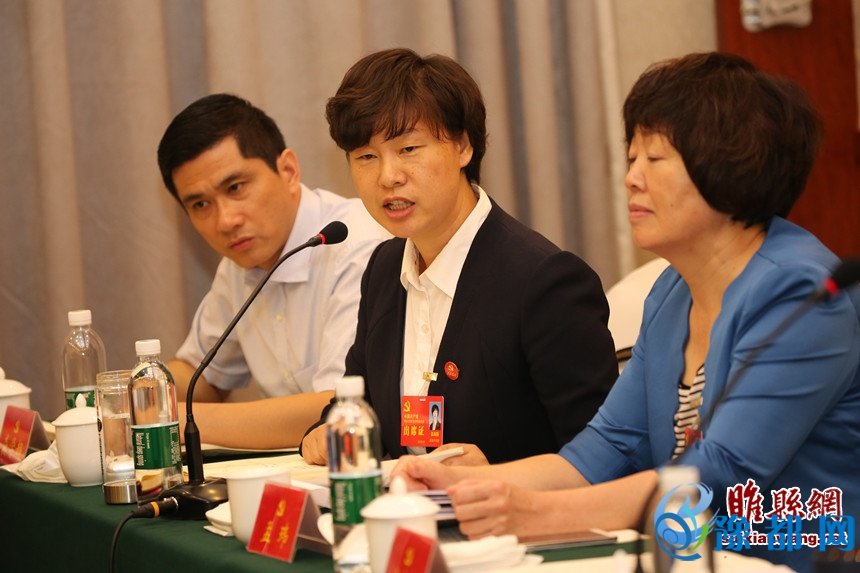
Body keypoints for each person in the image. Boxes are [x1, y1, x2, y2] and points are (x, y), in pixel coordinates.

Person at [392, 52, 860, 572]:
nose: (631, 178)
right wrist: (461, 484)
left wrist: (533, 513)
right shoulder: (671, 291)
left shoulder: (803, 294)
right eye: (631, 157)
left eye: (654, 159)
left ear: (730, 165)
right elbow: (605, 447)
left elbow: (720, 475)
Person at [300, 48, 618, 466]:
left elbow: (605, 456)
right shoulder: (384, 269)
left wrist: (498, 477)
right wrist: (327, 429)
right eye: (366, 157)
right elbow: (361, 404)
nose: (388, 177)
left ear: (463, 147)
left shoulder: (545, 281)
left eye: (408, 149)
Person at [157, 93, 388, 449]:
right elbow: (201, 375)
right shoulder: (240, 263)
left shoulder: (356, 244)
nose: (225, 220)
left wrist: (168, 417)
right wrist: (133, 397)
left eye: (235, 188)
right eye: (200, 204)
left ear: (288, 171)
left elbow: (337, 409)